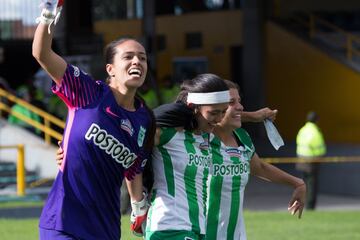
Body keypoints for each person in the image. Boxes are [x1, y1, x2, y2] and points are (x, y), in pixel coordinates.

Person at [32, 0, 155, 239]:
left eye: (142, 58)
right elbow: (42, 54)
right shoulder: (89, 92)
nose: (137, 62)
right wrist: (49, 13)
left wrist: (138, 206)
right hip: (62, 221)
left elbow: (134, 167)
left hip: (105, 229)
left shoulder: (144, 120)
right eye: (128, 57)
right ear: (110, 68)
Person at [206, 80, 306, 240]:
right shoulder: (198, 138)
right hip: (201, 235)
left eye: (239, 101)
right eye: (232, 102)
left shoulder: (242, 137)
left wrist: (297, 183)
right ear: (214, 109)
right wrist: (252, 116)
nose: (240, 106)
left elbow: (259, 167)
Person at [146, 73, 230, 240]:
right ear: (194, 107)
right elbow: (137, 129)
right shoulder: (166, 134)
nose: (220, 119)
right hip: (169, 225)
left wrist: (255, 116)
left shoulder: (203, 137)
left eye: (223, 112)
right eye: (214, 113)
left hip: (196, 228)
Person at [296, 111, 326, 210]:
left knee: (304, 184)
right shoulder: (315, 132)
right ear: (316, 120)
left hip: (301, 161)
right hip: (312, 162)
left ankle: (303, 204)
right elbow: (320, 149)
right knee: (312, 185)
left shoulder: (302, 130)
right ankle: (310, 207)